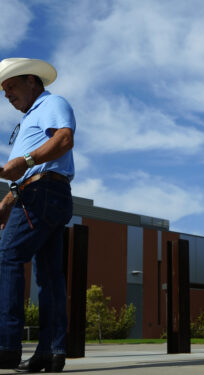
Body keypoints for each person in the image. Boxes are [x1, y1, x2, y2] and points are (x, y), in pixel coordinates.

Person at [0, 58, 76, 372]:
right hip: (44, 193)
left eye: (11, 87)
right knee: (49, 276)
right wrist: (8, 199)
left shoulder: (52, 103)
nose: (6, 95)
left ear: (32, 80)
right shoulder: (31, 116)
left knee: (8, 258)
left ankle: (5, 346)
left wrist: (27, 160)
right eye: (3, 91)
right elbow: (25, 172)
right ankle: (51, 351)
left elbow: (64, 139)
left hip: (41, 194)